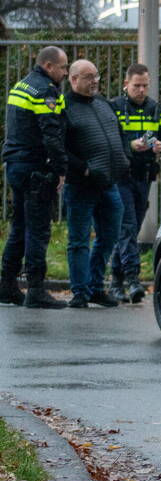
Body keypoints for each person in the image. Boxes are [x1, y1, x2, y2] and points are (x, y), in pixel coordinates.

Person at [0, 46, 69, 309]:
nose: (65, 72)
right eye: (63, 67)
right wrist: (61, 168)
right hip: (35, 168)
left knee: (19, 225)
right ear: (49, 66)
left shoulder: (22, 85)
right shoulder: (45, 91)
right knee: (38, 229)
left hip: (16, 164)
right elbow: (51, 133)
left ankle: (7, 285)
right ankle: (36, 290)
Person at [62, 60, 127, 309]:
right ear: (73, 79)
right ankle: (80, 292)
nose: (95, 81)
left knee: (109, 237)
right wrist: (84, 169)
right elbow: (60, 148)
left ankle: (95, 287)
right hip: (81, 185)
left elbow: (118, 133)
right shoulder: (65, 107)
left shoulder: (103, 103)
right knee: (79, 240)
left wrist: (125, 158)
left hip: (109, 183)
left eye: (96, 76)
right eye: (88, 77)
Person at [109, 63, 161, 303]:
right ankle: (132, 280)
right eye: (136, 85)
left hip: (144, 176)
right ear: (126, 84)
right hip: (121, 175)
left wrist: (160, 146)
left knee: (132, 227)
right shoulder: (114, 107)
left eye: (145, 85)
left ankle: (115, 282)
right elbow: (108, 139)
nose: (141, 90)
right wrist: (130, 146)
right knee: (127, 226)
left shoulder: (156, 110)